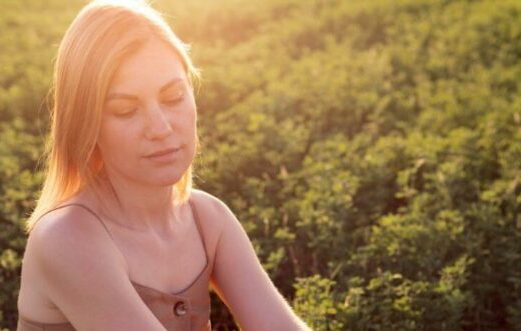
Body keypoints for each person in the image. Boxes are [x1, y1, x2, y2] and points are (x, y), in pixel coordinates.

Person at [16, 1, 310, 330]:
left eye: (173, 98)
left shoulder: (207, 219)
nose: (160, 128)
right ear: (86, 123)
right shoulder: (67, 238)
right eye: (126, 110)